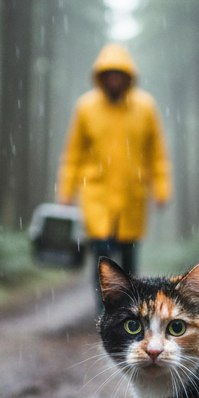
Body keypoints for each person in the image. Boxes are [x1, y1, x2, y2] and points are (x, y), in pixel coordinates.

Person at [56, 43, 172, 307]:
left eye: (119, 74)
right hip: (97, 194)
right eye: (109, 75)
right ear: (101, 77)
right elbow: (73, 155)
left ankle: (131, 309)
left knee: (129, 259)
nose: (114, 80)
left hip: (133, 195)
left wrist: (162, 188)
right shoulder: (86, 107)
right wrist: (66, 191)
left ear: (128, 77)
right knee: (103, 256)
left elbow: (157, 154)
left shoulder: (145, 107)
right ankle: (105, 310)